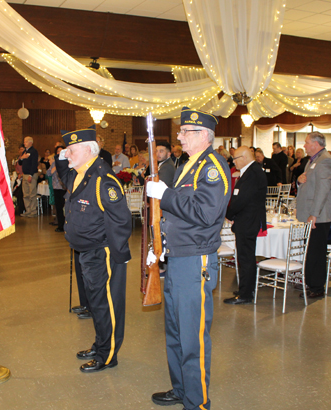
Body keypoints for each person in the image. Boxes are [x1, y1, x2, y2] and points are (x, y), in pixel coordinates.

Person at [147, 107, 231, 410]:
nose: (180, 136)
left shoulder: (212, 167)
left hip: (196, 262)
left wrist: (165, 194)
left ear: (203, 135)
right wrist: (160, 244)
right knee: (175, 330)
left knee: (193, 337)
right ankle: (182, 389)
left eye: (185, 131)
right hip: (178, 256)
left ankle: (198, 402)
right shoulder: (189, 164)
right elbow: (178, 215)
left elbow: (206, 213)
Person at [55, 125, 131, 373]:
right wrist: (61, 157)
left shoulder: (103, 179)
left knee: (105, 305)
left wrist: (115, 254)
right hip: (87, 252)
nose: (68, 153)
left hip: (103, 252)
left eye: (72, 149)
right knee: (96, 304)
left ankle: (108, 355)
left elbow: (122, 221)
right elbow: (65, 175)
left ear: (89, 150)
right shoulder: (80, 174)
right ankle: (100, 345)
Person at [224, 146, 267, 304]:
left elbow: (243, 199)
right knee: (245, 257)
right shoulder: (251, 171)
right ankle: (246, 288)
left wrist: (229, 214)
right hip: (246, 220)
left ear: (245, 158)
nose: (233, 162)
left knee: (246, 258)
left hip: (248, 221)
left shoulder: (253, 173)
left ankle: (245, 294)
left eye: (235, 158)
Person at [296, 132, 331, 298]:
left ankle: (317, 286)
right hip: (311, 214)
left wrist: (314, 214)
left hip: (319, 216)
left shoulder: (325, 160)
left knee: (316, 251)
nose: (304, 146)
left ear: (316, 144)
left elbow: (323, 190)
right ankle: (310, 282)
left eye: (306, 143)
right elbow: (308, 183)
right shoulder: (312, 160)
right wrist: (299, 181)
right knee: (310, 250)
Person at [18, 136, 39, 217]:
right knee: (25, 194)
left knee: (32, 193)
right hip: (25, 174)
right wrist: (22, 158)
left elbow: (34, 164)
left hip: (31, 175)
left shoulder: (34, 151)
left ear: (30, 142)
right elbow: (19, 163)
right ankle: (28, 210)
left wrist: (31, 175)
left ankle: (33, 211)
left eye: (26, 141)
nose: (24, 143)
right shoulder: (24, 152)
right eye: (24, 141)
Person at [47, 146, 66, 232]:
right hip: (56, 187)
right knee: (58, 207)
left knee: (65, 207)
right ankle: (60, 225)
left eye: (61, 151)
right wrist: (53, 169)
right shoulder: (54, 162)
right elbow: (48, 173)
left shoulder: (67, 161)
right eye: (58, 151)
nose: (59, 152)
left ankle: (67, 225)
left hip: (64, 187)